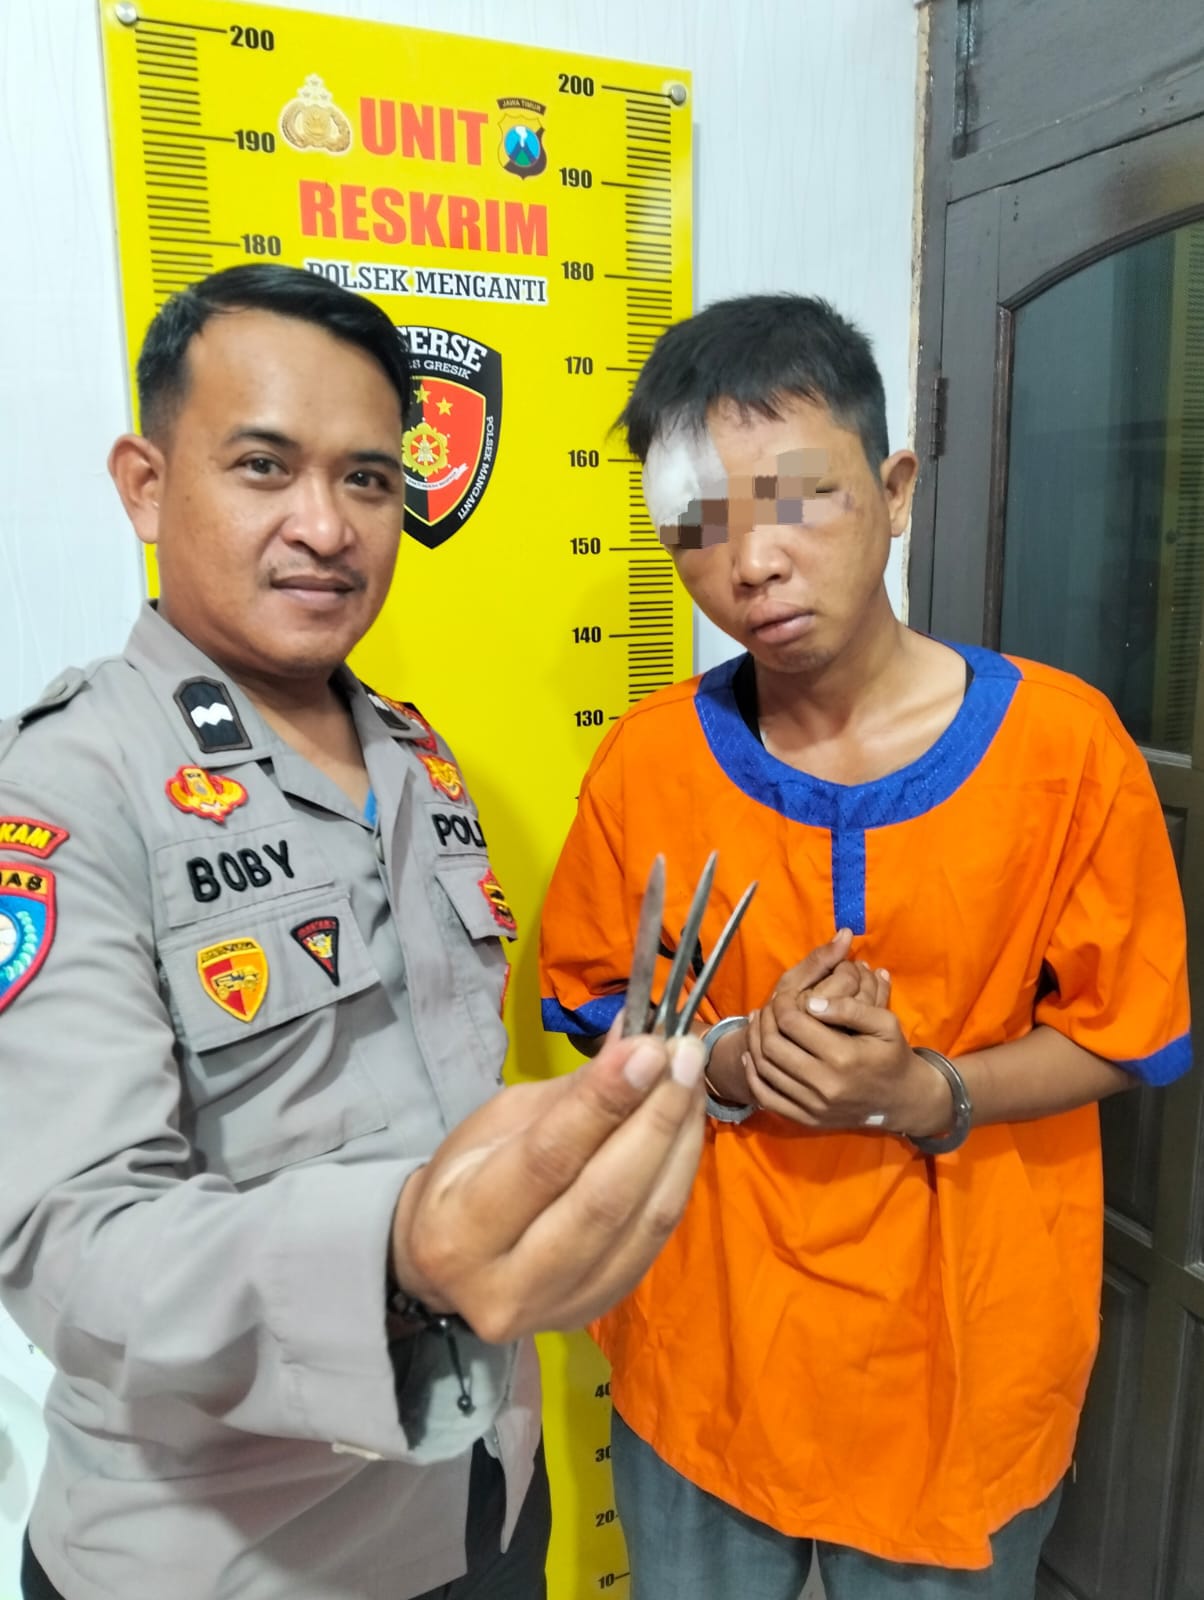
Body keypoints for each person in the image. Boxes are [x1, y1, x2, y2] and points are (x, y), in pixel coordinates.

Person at [0, 263, 708, 1600]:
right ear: (146, 485)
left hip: (484, 1490)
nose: (325, 527)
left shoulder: (415, 757)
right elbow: (72, 1245)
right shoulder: (62, 786)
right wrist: (400, 1253)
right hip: (238, 1558)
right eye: (264, 467)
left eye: (369, 479)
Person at [538, 293, 1192, 1599]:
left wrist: (929, 1092)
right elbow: (596, 1000)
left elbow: (1126, 1032)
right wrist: (729, 1059)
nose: (752, 562)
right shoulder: (648, 766)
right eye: (699, 525)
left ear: (894, 491)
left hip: (965, 1358)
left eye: (798, 498)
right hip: (712, 1347)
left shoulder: (1065, 751)